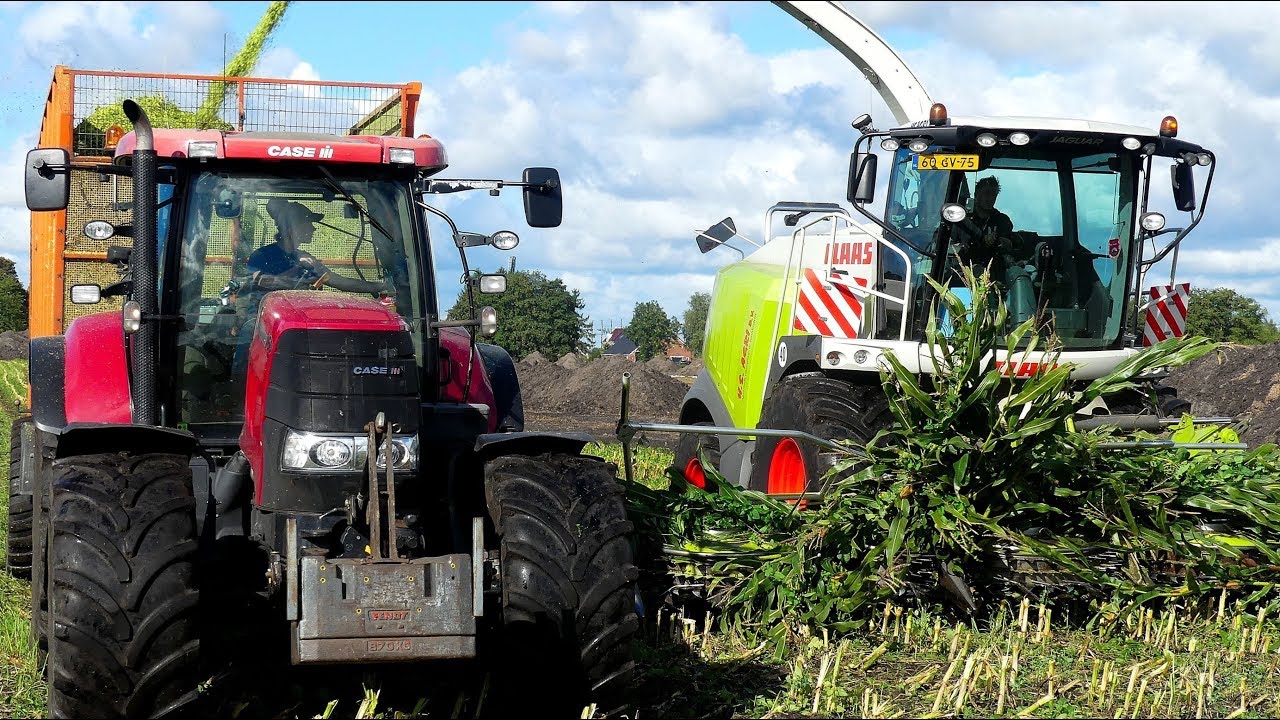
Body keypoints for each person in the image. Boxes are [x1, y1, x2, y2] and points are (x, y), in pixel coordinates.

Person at [246, 198, 390, 295]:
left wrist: (381, 287)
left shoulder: (306, 259)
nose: (313, 229)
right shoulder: (261, 256)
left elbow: (337, 281)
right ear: (293, 229)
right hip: (261, 321)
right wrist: (297, 270)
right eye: (309, 224)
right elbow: (263, 281)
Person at [952, 176, 1018, 281]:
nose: (990, 198)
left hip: (993, 278)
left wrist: (998, 241)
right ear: (976, 194)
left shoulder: (1002, 220)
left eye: (994, 195)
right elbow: (948, 243)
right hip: (961, 276)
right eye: (987, 193)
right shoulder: (961, 220)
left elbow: (1009, 244)